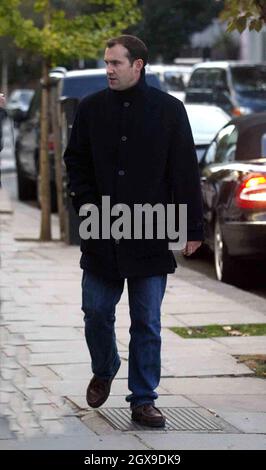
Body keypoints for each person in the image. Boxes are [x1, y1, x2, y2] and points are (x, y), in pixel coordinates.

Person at [63, 35, 203, 428]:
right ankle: (105, 365)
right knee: (95, 310)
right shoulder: (90, 109)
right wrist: (88, 206)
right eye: (106, 62)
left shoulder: (169, 110)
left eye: (116, 63)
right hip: (101, 228)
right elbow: (75, 162)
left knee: (147, 321)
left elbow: (184, 171)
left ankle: (143, 399)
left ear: (138, 65)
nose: (108, 69)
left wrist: (193, 227)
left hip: (153, 230)